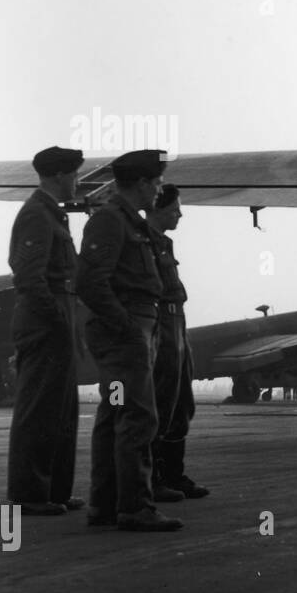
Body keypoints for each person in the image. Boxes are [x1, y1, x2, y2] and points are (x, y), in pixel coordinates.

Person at [77, 149, 182, 532]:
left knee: (114, 413)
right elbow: (89, 282)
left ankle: (104, 505)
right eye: (155, 182)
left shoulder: (125, 220)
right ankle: (135, 507)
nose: (158, 189)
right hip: (127, 335)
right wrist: (125, 328)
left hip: (134, 329)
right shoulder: (110, 221)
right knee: (138, 416)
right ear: (140, 183)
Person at [6, 146, 85, 516]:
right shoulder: (37, 214)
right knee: (39, 408)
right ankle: (30, 494)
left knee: (62, 409)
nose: (76, 181)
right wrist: (55, 319)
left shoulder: (51, 214)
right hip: (45, 321)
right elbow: (28, 276)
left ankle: (53, 490)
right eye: (73, 174)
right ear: (57, 176)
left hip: (58, 316)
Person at [147, 184, 208, 499]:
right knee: (162, 401)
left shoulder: (164, 243)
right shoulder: (144, 241)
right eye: (174, 209)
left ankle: (174, 474)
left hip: (177, 323)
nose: (180, 214)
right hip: (161, 324)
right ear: (158, 209)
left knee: (182, 400)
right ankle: (155, 479)